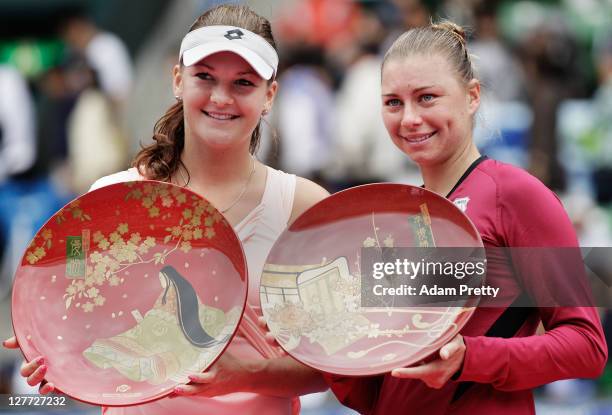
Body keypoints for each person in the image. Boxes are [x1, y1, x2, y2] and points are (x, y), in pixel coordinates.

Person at [4, 4, 329, 414]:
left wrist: (244, 373)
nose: (221, 98)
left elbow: (329, 367)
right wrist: (49, 333)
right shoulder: (108, 199)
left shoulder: (302, 206)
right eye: (204, 77)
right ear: (178, 79)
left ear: (269, 96)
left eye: (243, 83)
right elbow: (69, 280)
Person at [324, 21, 607, 414]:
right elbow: (376, 392)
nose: (408, 118)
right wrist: (325, 341)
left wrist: (470, 358)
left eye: (427, 98)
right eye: (393, 102)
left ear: (472, 96)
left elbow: (586, 346)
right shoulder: (390, 216)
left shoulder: (515, 195)